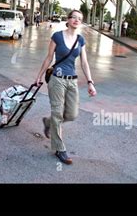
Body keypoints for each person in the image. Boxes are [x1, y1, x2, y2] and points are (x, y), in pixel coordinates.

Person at [35, 10, 97, 165]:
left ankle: (48, 123)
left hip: (72, 81)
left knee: (72, 114)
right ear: (68, 20)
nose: (77, 20)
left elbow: (84, 63)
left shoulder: (80, 40)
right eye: (74, 17)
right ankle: (59, 149)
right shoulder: (57, 36)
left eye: (80, 19)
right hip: (57, 80)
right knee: (57, 113)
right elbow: (49, 57)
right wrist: (38, 76)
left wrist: (90, 82)